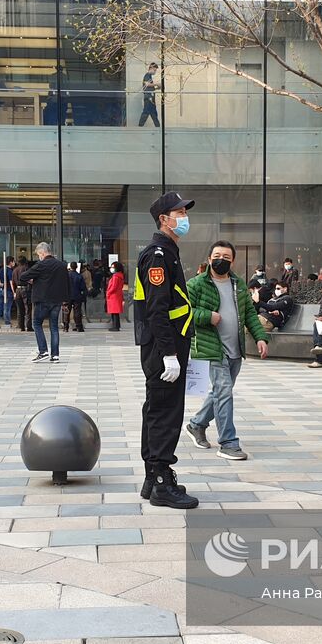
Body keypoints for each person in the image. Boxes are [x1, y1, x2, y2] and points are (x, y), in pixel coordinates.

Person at [135, 191, 198, 508]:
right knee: (165, 414)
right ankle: (161, 482)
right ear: (164, 219)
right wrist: (169, 355)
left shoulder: (166, 252)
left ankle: (153, 476)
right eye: (180, 212)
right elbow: (157, 311)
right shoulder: (158, 255)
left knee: (157, 411)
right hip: (164, 350)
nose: (184, 217)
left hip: (166, 346)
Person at [184, 240, 270, 462]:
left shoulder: (238, 284)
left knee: (219, 393)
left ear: (232, 261)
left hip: (235, 351)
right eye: (217, 255)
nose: (221, 260)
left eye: (226, 257)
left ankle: (196, 425)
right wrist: (207, 316)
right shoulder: (196, 284)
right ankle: (229, 443)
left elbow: (250, 313)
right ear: (209, 258)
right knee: (224, 392)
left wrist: (260, 337)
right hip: (211, 349)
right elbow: (184, 312)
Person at [20, 242, 69, 362]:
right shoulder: (61, 265)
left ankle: (43, 351)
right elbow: (66, 283)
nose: (39, 257)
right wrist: (65, 301)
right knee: (54, 327)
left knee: (37, 323)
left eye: (38, 255)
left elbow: (23, 276)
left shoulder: (41, 265)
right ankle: (55, 355)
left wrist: (33, 280)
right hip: (57, 300)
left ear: (42, 252)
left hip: (42, 299)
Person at [63, 261, 87, 333]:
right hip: (77, 295)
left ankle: (66, 327)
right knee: (77, 311)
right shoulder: (79, 276)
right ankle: (79, 327)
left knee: (67, 311)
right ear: (76, 267)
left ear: (70, 267)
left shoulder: (66, 276)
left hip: (67, 296)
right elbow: (83, 287)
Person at [0, 257, 15, 328]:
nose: (14, 263)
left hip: (0, 290)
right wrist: (14, 291)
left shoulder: (1, 269)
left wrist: (0, 284)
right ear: (11, 262)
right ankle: (7, 322)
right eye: (13, 261)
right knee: (7, 308)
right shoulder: (10, 271)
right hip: (8, 291)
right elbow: (11, 282)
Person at [106, 260, 126, 331]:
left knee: (114, 312)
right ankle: (116, 325)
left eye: (113, 267)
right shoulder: (120, 276)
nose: (111, 268)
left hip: (113, 296)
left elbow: (113, 287)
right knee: (116, 312)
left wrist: (108, 293)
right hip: (117, 295)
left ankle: (115, 326)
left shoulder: (115, 276)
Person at [139, 62, 161, 127]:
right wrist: (157, 84)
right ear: (151, 68)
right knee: (146, 111)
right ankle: (140, 126)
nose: (155, 72)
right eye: (154, 70)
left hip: (151, 96)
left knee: (153, 112)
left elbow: (149, 87)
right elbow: (147, 84)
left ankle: (158, 127)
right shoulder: (147, 75)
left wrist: (156, 88)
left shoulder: (150, 76)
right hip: (149, 97)